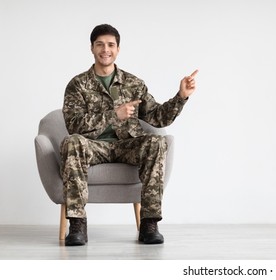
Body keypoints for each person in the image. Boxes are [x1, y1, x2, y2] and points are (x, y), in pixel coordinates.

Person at [61, 23, 197, 246]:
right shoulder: (77, 85)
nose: (106, 49)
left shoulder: (133, 83)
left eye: (111, 45)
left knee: (156, 141)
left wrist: (181, 96)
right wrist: (114, 115)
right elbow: (73, 125)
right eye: (100, 45)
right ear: (92, 48)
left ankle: (149, 224)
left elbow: (157, 118)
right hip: (94, 146)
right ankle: (77, 225)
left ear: (118, 49)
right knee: (72, 142)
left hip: (127, 146)